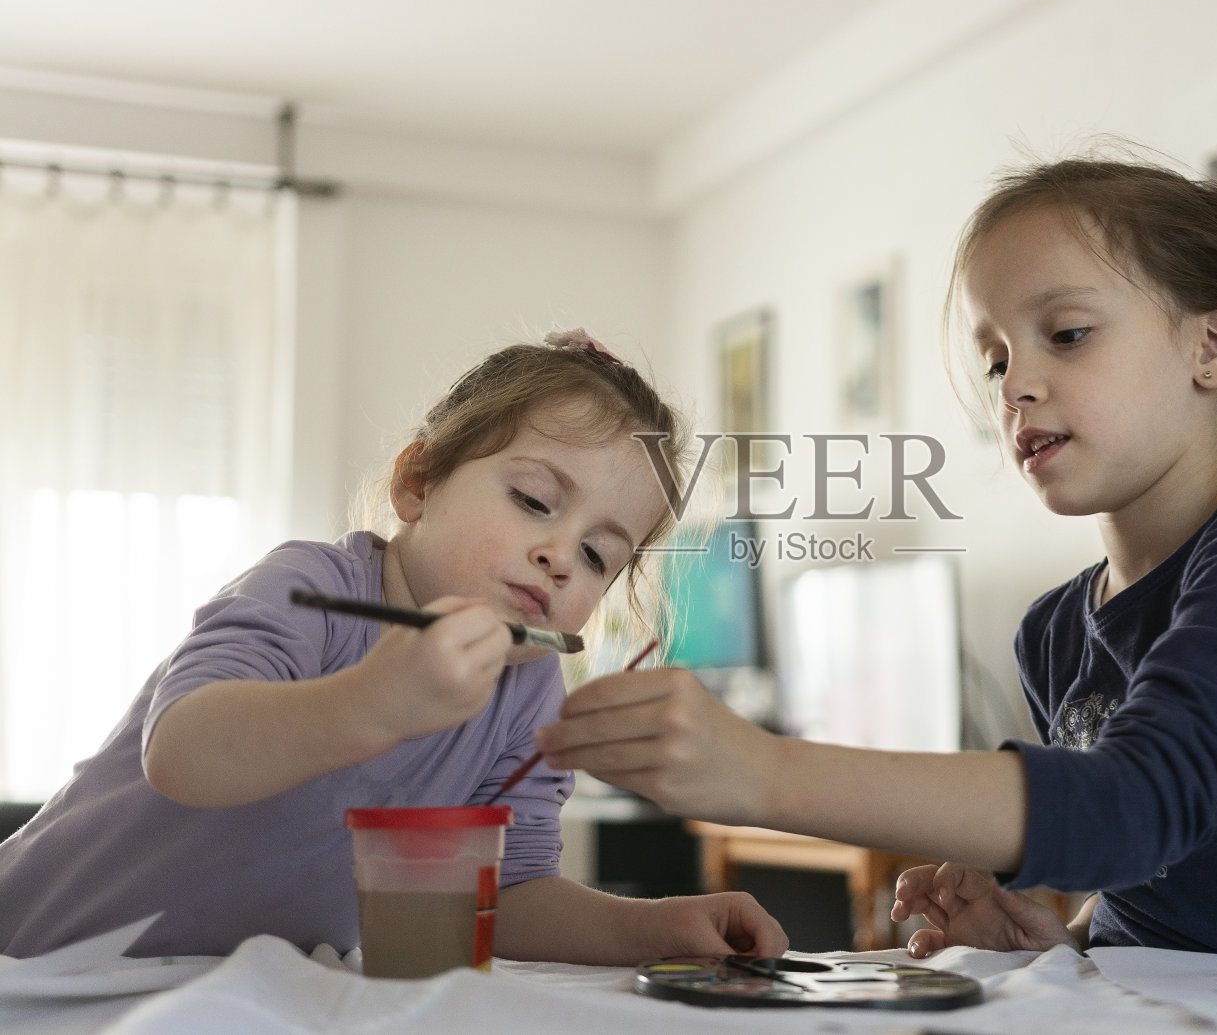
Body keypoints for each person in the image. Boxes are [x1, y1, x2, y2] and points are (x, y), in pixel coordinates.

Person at [535, 157, 1217, 971]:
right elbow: (1161, 894)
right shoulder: (1053, 630)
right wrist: (1059, 945)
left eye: (1066, 334)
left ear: (1212, 345)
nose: (1016, 383)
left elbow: (1142, 804)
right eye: (995, 359)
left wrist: (763, 772)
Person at [0, 332, 785, 964]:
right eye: (534, 500)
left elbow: (504, 895)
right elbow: (182, 752)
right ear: (418, 482)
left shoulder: (529, 688)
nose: (558, 554)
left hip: (199, 999)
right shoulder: (308, 586)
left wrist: (657, 929)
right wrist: (375, 701)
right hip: (30, 962)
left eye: (597, 556)